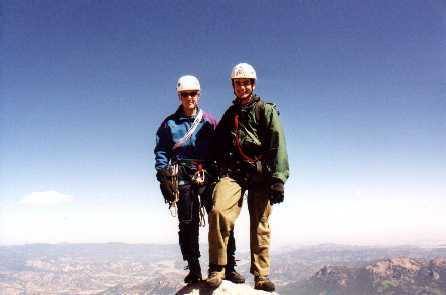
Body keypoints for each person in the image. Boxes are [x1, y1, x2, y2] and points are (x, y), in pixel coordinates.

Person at [206, 63, 289, 291]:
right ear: (233, 86)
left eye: (246, 83)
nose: (242, 87)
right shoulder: (230, 114)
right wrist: (208, 167)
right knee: (218, 211)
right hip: (234, 173)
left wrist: (278, 179)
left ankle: (261, 275)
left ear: (252, 84)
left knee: (260, 223)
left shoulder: (266, 111)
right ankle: (217, 268)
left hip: (261, 174)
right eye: (238, 83)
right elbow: (215, 144)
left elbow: (279, 144)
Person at [154, 75, 245, 284]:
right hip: (182, 173)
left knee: (219, 217)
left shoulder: (209, 121)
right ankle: (194, 268)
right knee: (187, 221)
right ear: (179, 96)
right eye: (185, 94)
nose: (189, 98)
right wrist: (162, 172)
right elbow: (161, 149)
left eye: (193, 94)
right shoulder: (169, 124)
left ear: (199, 95)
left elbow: (222, 145)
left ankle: (228, 266)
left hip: (207, 172)